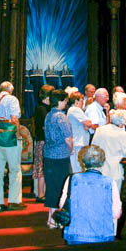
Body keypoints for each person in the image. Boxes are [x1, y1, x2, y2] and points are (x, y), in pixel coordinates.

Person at [59, 144, 122, 245]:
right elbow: (116, 213)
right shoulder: (110, 183)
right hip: (103, 237)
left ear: (83, 162)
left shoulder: (72, 179)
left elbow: (62, 205)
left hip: (76, 235)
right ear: (102, 163)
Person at [0, 81, 25, 212]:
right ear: (10, 91)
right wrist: (18, 135)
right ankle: (13, 201)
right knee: (14, 169)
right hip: (9, 139)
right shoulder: (12, 100)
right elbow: (14, 119)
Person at [44, 89, 73, 228]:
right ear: (61, 101)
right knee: (61, 187)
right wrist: (72, 148)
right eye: (66, 101)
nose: (66, 104)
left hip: (49, 155)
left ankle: (51, 219)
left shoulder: (49, 115)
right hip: (61, 156)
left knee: (52, 186)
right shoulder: (62, 117)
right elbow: (68, 138)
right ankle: (57, 220)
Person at [92, 109, 126, 192]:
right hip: (115, 170)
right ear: (121, 123)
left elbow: (93, 147)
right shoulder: (122, 134)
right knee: (114, 196)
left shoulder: (100, 130)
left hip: (99, 167)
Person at [32, 84, 53, 201]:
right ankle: (40, 194)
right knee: (41, 168)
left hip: (43, 140)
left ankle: (41, 192)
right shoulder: (41, 109)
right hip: (43, 141)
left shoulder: (44, 108)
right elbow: (46, 126)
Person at [67, 91, 92, 172]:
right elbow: (88, 123)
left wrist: (86, 125)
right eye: (82, 101)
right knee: (78, 169)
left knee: (80, 168)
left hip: (79, 143)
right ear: (76, 101)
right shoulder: (75, 109)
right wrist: (87, 124)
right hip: (78, 143)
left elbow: (86, 126)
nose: (83, 104)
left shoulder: (75, 110)